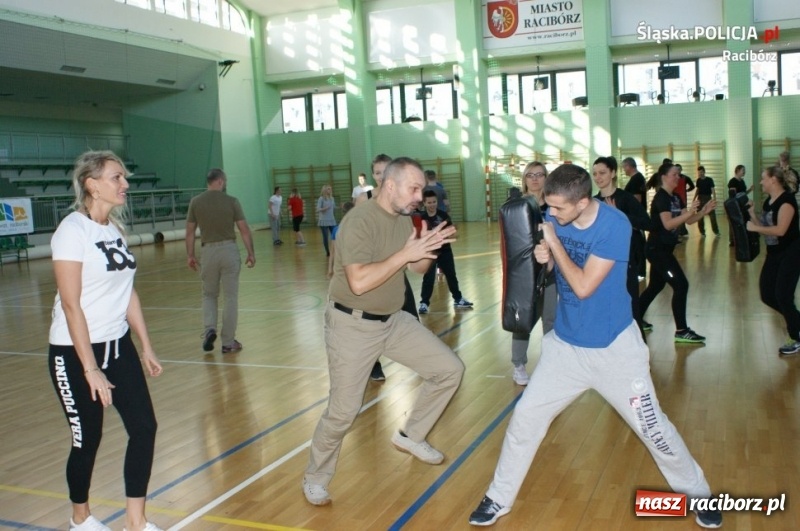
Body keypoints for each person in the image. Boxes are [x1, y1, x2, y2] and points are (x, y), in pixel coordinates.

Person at [468, 163, 720, 529]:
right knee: (525, 419)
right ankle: (498, 497)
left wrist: (554, 244)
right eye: (548, 207)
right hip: (565, 350)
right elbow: (559, 273)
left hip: (615, 351)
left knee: (653, 429)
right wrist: (548, 260)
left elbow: (585, 286)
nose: (550, 214)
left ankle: (698, 492)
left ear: (583, 202)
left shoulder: (614, 226)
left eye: (558, 208)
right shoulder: (557, 217)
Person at [302, 157, 465, 506]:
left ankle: (411, 434)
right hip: (352, 324)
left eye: (422, 188)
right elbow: (359, 282)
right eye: (414, 188)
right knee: (344, 412)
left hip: (392, 321)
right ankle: (315, 477)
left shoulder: (405, 220)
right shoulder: (359, 221)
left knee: (449, 370)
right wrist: (407, 251)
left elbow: (418, 268)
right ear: (390, 186)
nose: (420, 196)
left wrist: (428, 246)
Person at [48, 150, 163, 531]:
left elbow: (127, 291)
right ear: (91, 184)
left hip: (119, 347)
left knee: (144, 428)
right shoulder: (71, 231)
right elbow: (70, 304)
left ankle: (135, 521)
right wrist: (91, 368)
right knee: (88, 438)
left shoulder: (114, 230)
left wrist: (145, 346)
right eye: (117, 177)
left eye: (124, 177)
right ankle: (80, 518)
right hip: (74, 353)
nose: (125, 184)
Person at [638, 162, 716, 343]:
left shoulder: (676, 198)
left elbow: (688, 221)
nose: (678, 178)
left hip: (664, 250)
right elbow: (668, 224)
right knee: (681, 285)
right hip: (657, 251)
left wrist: (702, 212)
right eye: (675, 174)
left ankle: (636, 318)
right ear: (664, 177)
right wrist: (689, 213)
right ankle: (681, 330)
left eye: (679, 175)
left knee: (656, 286)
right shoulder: (661, 198)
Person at [185, 168, 256, 354]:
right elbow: (244, 229)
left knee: (209, 295)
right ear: (221, 182)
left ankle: (209, 328)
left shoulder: (196, 202)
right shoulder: (232, 201)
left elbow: (190, 232)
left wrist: (190, 255)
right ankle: (228, 342)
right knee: (230, 297)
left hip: (207, 251)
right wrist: (251, 253)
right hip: (229, 250)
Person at [509, 161, 556, 386]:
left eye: (540, 174)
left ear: (546, 178)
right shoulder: (517, 206)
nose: (535, 179)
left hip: (550, 270)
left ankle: (550, 363)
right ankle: (518, 364)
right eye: (530, 175)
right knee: (523, 320)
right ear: (524, 179)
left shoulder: (555, 206)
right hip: (525, 274)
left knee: (550, 318)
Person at [592, 156, 651, 338]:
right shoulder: (592, 202)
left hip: (625, 263)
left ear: (613, 173)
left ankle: (640, 358)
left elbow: (646, 223)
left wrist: (619, 215)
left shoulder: (625, 198)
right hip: (600, 264)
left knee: (631, 310)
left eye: (602, 173)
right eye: (594, 174)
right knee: (604, 311)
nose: (598, 177)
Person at [746, 166, 800, 356]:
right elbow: (766, 228)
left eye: (763, 178)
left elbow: (780, 230)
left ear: (773, 180)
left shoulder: (787, 202)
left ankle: (796, 336)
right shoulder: (770, 201)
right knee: (767, 293)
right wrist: (753, 215)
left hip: (791, 253)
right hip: (774, 252)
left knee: (783, 296)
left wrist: (753, 228)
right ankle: (797, 322)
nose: (761, 182)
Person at [417, 189, 472, 313]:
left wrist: (449, 234)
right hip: (429, 253)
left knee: (451, 275)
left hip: (445, 251)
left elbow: (451, 231)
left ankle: (458, 299)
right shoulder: (421, 218)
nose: (432, 205)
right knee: (428, 278)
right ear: (424, 204)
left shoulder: (443, 216)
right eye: (429, 202)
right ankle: (424, 303)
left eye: (434, 202)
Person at [622, 157, 648, 279]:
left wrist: (633, 219)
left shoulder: (636, 179)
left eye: (624, 167)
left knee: (638, 243)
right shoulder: (638, 178)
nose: (624, 170)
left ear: (629, 166)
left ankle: (640, 271)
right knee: (635, 243)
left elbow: (637, 200)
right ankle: (638, 270)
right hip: (634, 218)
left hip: (636, 219)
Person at [727, 165, 753, 246]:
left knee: (744, 221)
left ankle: (743, 238)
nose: (744, 172)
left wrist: (750, 190)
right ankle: (732, 240)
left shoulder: (742, 181)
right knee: (733, 222)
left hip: (743, 204)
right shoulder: (732, 182)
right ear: (737, 171)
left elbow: (743, 193)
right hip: (735, 205)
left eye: (744, 170)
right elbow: (732, 195)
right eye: (743, 170)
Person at [327, 201, 354, 278]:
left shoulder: (336, 229)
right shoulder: (359, 228)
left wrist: (330, 269)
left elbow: (332, 252)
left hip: (341, 267)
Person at [693, 166, 719, 237]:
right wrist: (694, 198)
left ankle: (716, 231)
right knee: (699, 216)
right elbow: (697, 190)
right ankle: (702, 232)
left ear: (704, 172)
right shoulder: (698, 180)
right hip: (700, 198)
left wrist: (714, 199)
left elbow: (713, 190)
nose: (700, 174)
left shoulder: (709, 180)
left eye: (701, 172)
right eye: (699, 173)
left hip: (708, 198)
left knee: (712, 216)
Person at [316, 184, 337, 257]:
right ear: (324, 190)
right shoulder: (321, 199)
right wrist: (324, 209)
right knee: (325, 237)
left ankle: (336, 251)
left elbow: (334, 207)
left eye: (330, 189)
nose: (330, 190)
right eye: (328, 189)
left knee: (335, 235)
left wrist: (341, 206)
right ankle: (328, 252)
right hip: (324, 220)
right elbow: (318, 209)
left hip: (331, 220)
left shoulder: (332, 198)